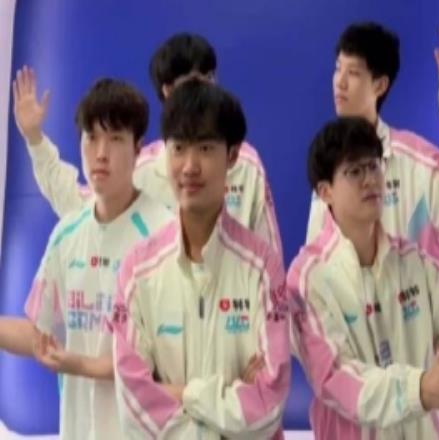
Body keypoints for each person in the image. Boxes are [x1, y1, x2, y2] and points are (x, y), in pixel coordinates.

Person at [289, 117, 439, 439]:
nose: (370, 180)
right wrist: (419, 390)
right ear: (325, 192)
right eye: (354, 171)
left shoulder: (413, 263)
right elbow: (335, 379)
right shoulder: (308, 280)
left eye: (374, 166)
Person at [112, 79, 290, 439]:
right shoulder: (137, 270)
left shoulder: (262, 268)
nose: (190, 166)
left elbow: (270, 402)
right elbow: (133, 398)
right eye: (179, 148)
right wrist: (227, 401)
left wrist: (182, 394)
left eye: (206, 148)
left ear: (232, 156)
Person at [1, 77, 173, 440]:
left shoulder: (164, 236)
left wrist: (82, 364)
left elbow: (168, 357)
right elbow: (39, 334)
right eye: (91, 138)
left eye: (115, 139)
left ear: (138, 149)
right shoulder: (68, 235)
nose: (101, 153)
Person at [16, 33, 282, 256]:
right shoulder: (142, 168)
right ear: (168, 91)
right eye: (192, 83)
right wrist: (35, 140)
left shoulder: (246, 163)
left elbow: (269, 255)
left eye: (209, 78)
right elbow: (80, 203)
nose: (204, 92)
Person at [306, 23, 439, 265]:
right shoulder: (329, 163)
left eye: (353, 73)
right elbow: (316, 254)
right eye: (338, 69)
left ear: (380, 85)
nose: (340, 82)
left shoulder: (413, 161)